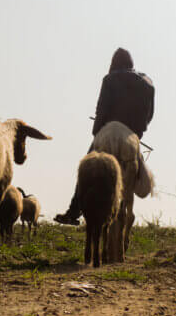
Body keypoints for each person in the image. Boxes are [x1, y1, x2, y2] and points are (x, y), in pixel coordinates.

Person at [54, 48, 155, 225]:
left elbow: (101, 110)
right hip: (132, 135)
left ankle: (73, 212)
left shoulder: (110, 79)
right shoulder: (148, 83)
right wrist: (137, 134)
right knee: (142, 177)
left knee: (86, 167)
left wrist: (97, 133)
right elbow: (149, 115)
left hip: (108, 131)